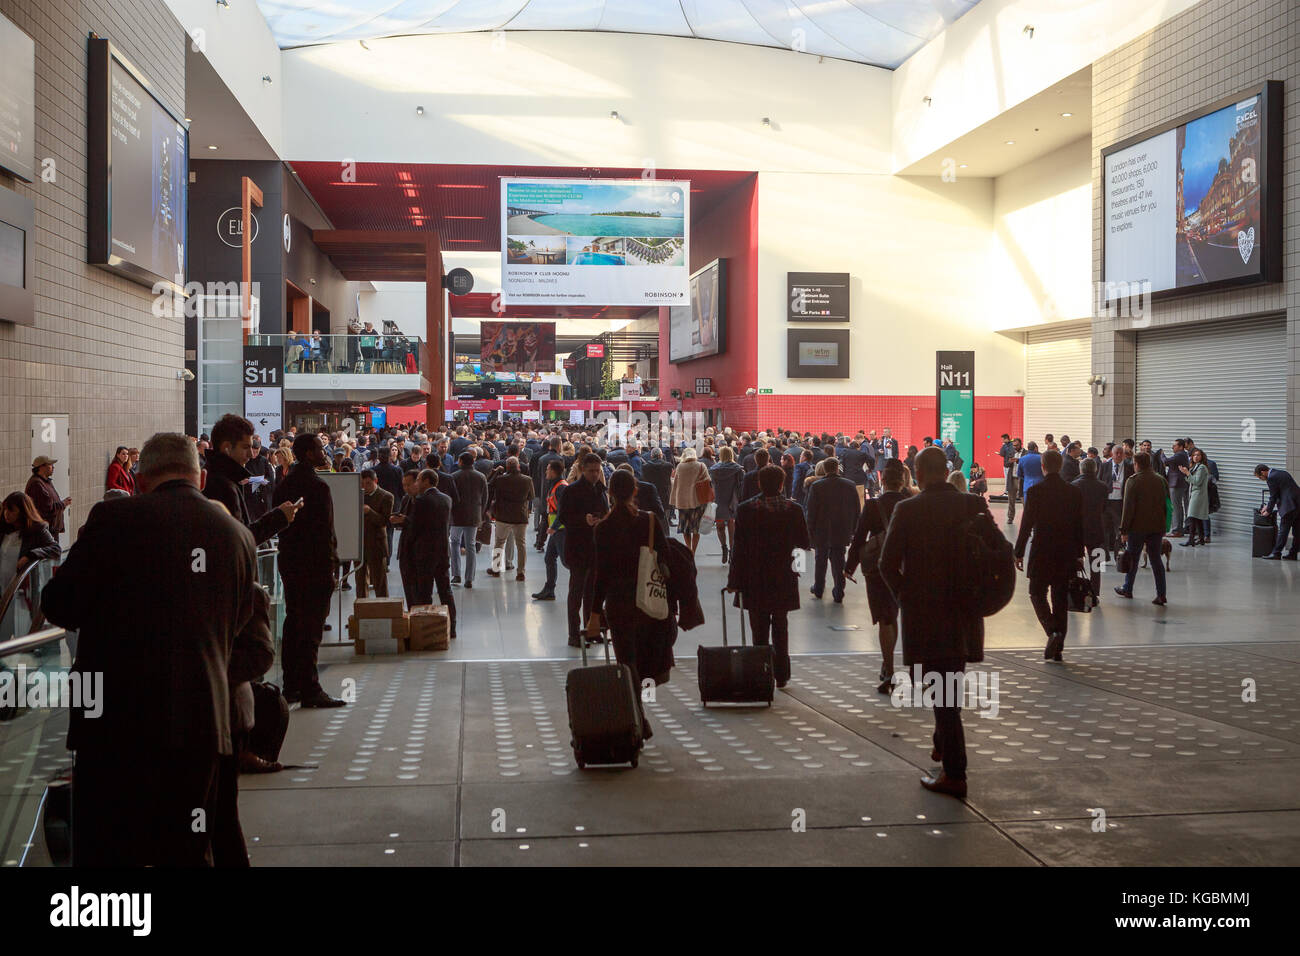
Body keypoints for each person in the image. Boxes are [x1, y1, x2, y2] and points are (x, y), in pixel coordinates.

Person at [42, 433, 268, 866]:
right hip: (202, 725)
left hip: (113, 724)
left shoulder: (112, 520)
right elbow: (239, 622)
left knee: (108, 850)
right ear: (200, 477)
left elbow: (59, 603)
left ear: (141, 479)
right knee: (187, 848)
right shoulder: (237, 536)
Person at [878, 447, 998, 800]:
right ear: (946, 472)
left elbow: (887, 564)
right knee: (950, 686)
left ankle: (955, 772)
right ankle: (942, 744)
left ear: (917, 472)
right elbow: (998, 551)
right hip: (964, 611)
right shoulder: (972, 504)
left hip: (926, 615)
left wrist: (908, 598)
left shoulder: (908, 509)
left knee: (941, 694)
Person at [586, 469, 669, 741]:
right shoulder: (650, 521)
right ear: (635, 491)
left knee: (627, 659)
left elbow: (601, 574)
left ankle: (638, 715)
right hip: (648, 598)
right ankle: (644, 702)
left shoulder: (603, 528)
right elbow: (665, 559)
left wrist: (594, 614)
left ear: (609, 493)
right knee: (646, 657)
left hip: (619, 602)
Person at [272, 434, 345, 707]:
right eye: (318, 448)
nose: (323, 452)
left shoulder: (284, 485)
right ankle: (311, 689)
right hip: (315, 565)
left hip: (291, 563)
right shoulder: (318, 486)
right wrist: (332, 565)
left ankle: (291, 687)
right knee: (312, 629)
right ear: (307, 453)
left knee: (294, 624)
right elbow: (325, 533)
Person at [726, 465, 809, 689]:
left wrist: (734, 581)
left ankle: (761, 673)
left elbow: (739, 549)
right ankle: (781, 674)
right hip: (783, 576)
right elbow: (803, 543)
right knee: (781, 625)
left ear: (759, 484)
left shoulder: (746, 510)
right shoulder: (794, 509)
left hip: (754, 578)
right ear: (782, 484)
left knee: (758, 627)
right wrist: (798, 570)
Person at [1014, 450, 1084, 661]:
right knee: (1060, 598)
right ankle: (1058, 646)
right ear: (1061, 466)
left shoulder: (1035, 492)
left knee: (1036, 592)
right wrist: (1079, 553)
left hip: (1042, 550)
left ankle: (1052, 631)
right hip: (1066, 552)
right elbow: (1078, 526)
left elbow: (1026, 525)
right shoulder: (1073, 492)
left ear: (1042, 467)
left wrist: (1018, 552)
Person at [845, 459, 907, 693]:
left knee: (886, 618)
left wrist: (849, 567)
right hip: (907, 565)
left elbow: (859, 537)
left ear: (882, 480)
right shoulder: (911, 503)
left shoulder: (873, 506)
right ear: (902, 481)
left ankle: (889, 668)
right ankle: (918, 671)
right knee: (906, 615)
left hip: (879, 568)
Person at [203, 414, 298, 547]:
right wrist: (279, 517)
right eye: (245, 447)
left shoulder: (219, 477)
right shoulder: (222, 485)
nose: (250, 455)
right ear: (227, 447)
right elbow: (240, 539)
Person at [558, 452, 609, 648]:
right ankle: (573, 634)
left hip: (595, 549)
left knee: (592, 594)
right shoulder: (571, 491)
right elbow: (563, 517)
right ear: (582, 470)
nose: (595, 475)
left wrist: (603, 520)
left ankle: (591, 631)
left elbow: (605, 512)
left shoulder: (600, 490)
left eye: (598, 471)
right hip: (578, 548)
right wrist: (583, 520)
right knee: (576, 594)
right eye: (591, 471)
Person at [400, 470, 457, 636]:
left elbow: (416, 528)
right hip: (442, 551)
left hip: (424, 553)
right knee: (445, 590)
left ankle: (426, 628)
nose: (416, 483)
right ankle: (452, 626)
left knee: (424, 591)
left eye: (418, 479)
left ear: (426, 481)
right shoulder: (446, 499)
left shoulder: (421, 500)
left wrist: (405, 523)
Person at [1114, 452, 1170, 605]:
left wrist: (1123, 530)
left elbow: (1128, 509)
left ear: (1136, 464)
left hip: (1137, 528)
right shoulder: (1161, 480)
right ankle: (1161, 594)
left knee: (1133, 558)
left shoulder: (1133, 481)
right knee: (1156, 560)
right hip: (1157, 527)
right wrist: (1165, 526)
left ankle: (1128, 588)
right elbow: (1167, 505)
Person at [804, 456, 860, 603]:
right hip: (842, 530)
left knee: (820, 560)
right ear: (837, 468)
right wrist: (853, 529)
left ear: (825, 469)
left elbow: (811, 511)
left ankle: (819, 588)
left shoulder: (817, 486)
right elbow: (856, 509)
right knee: (839, 561)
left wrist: (809, 531)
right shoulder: (850, 485)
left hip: (821, 530)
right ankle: (839, 591)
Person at [0, 493, 60, 597]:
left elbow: (55, 549)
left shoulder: (37, 530)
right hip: (2, 588)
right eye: (5, 509)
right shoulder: (3, 530)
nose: (6, 513)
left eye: (11, 510)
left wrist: (30, 556)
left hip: (22, 592)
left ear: (23, 511)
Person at [486, 457, 533, 581]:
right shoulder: (527, 480)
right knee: (521, 544)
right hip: (520, 516)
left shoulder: (501, 480)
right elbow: (531, 496)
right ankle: (521, 572)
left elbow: (489, 485)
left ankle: (496, 568)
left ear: (507, 467)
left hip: (503, 515)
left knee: (499, 542)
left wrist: (496, 472)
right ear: (518, 466)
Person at [450, 451, 489, 586]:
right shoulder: (481, 477)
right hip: (474, 514)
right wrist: (481, 512)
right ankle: (469, 578)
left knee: (454, 542)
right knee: (471, 545)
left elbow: (451, 496)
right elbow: (485, 497)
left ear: (461, 462)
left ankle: (456, 574)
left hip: (457, 515)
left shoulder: (454, 476)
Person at [532, 460, 568, 601]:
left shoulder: (561, 487)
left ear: (553, 471)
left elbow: (563, 511)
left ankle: (583, 579)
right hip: (556, 530)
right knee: (549, 558)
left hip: (560, 530)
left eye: (547, 469)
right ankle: (549, 589)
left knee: (566, 561)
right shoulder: (555, 485)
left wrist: (553, 527)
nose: (546, 472)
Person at [1073, 457, 1107, 603]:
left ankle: (1075, 592)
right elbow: (1104, 508)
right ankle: (1095, 594)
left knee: (1076, 562)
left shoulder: (1074, 485)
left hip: (1078, 530)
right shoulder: (1103, 486)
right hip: (1097, 529)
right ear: (1095, 469)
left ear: (1081, 469)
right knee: (1096, 564)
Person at [357, 469, 394, 597]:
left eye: (368, 483)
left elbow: (384, 521)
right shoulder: (357, 495)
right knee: (360, 581)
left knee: (380, 581)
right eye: (362, 484)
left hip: (377, 543)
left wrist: (369, 512)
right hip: (359, 544)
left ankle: (383, 609)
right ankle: (361, 610)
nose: (364, 487)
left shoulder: (386, 496)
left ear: (375, 481)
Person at [669, 447, 710, 554]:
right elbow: (707, 480)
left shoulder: (680, 467)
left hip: (683, 501)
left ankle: (688, 548)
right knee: (696, 528)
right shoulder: (701, 465)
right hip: (698, 501)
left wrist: (673, 500)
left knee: (685, 528)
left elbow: (676, 484)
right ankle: (693, 551)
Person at [1256, 463, 1300, 559]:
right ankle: (1293, 554)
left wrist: (1268, 511)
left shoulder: (1271, 478)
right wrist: (1268, 506)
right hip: (1297, 504)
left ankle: (1276, 553)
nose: (1261, 479)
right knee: (1297, 531)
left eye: (1260, 477)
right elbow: (1282, 491)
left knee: (1283, 531)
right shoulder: (1281, 473)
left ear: (1263, 472)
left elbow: (1273, 496)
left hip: (1289, 507)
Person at [1099, 443, 1134, 562]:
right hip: (1106, 502)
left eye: (1121, 453)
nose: (1119, 455)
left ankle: (1118, 556)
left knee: (1119, 530)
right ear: (1112, 454)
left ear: (1124, 455)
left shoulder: (1129, 467)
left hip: (1120, 503)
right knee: (1104, 530)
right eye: (1116, 453)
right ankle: (1104, 557)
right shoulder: (1104, 466)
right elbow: (1099, 482)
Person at [25, 455, 70, 542]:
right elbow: (48, 508)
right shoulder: (37, 485)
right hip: (45, 531)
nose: (53, 467)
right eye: (50, 465)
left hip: (51, 529)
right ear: (41, 467)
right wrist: (64, 503)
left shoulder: (45, 481)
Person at [1181, 449, 1211, 548]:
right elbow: (1190, 480)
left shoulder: (1201, 467)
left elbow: (1197, 481)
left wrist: (1187, 473)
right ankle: (1201, 539)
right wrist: (1186, 473)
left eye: (1198, 455)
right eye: (1194, 455)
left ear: (1202, 457)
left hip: (1198, 495)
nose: (1196, 457)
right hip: (1195, 494)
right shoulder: (1195, 467)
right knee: (1197, 517)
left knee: (1192, 517)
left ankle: (1191, 539)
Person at [1163, 439, 1191, 537]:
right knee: (1178, 506)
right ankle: (1179, 528)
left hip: (1176, 484)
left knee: (1176, 507)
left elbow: (1166, 461)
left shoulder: (1180, 455)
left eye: (1174, 445)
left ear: (1180, 447)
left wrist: (1161, 454)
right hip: (1179, 483)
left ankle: (1176, 530)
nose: (1172, 447)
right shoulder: (1182, 455)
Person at [998, 436, 1022, 522]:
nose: (1015, 447)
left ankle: (1027, 518)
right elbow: (1006, 464)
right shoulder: (1011, 452)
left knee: (1024, 500)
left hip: (1021, 479)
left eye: (1017, 445)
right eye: (1014, 445)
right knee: (1011, 500)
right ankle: (1010, 518)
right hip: (1012, 479)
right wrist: (1009, 462)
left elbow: (1025, 462)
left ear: (1021, 444)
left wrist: (1018, 460)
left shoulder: (1025, 453)